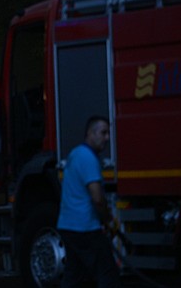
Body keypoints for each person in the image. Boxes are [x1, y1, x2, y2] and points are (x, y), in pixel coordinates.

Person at [57, 115, 121, 287]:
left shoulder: (75, 154)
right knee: (107, 273)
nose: (107, 138)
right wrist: (107, 220)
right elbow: (97, 198)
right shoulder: (88, 159)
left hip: (68, 226)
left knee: (73, 274)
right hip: (85, 228)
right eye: (103, 133)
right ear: (90, 133)